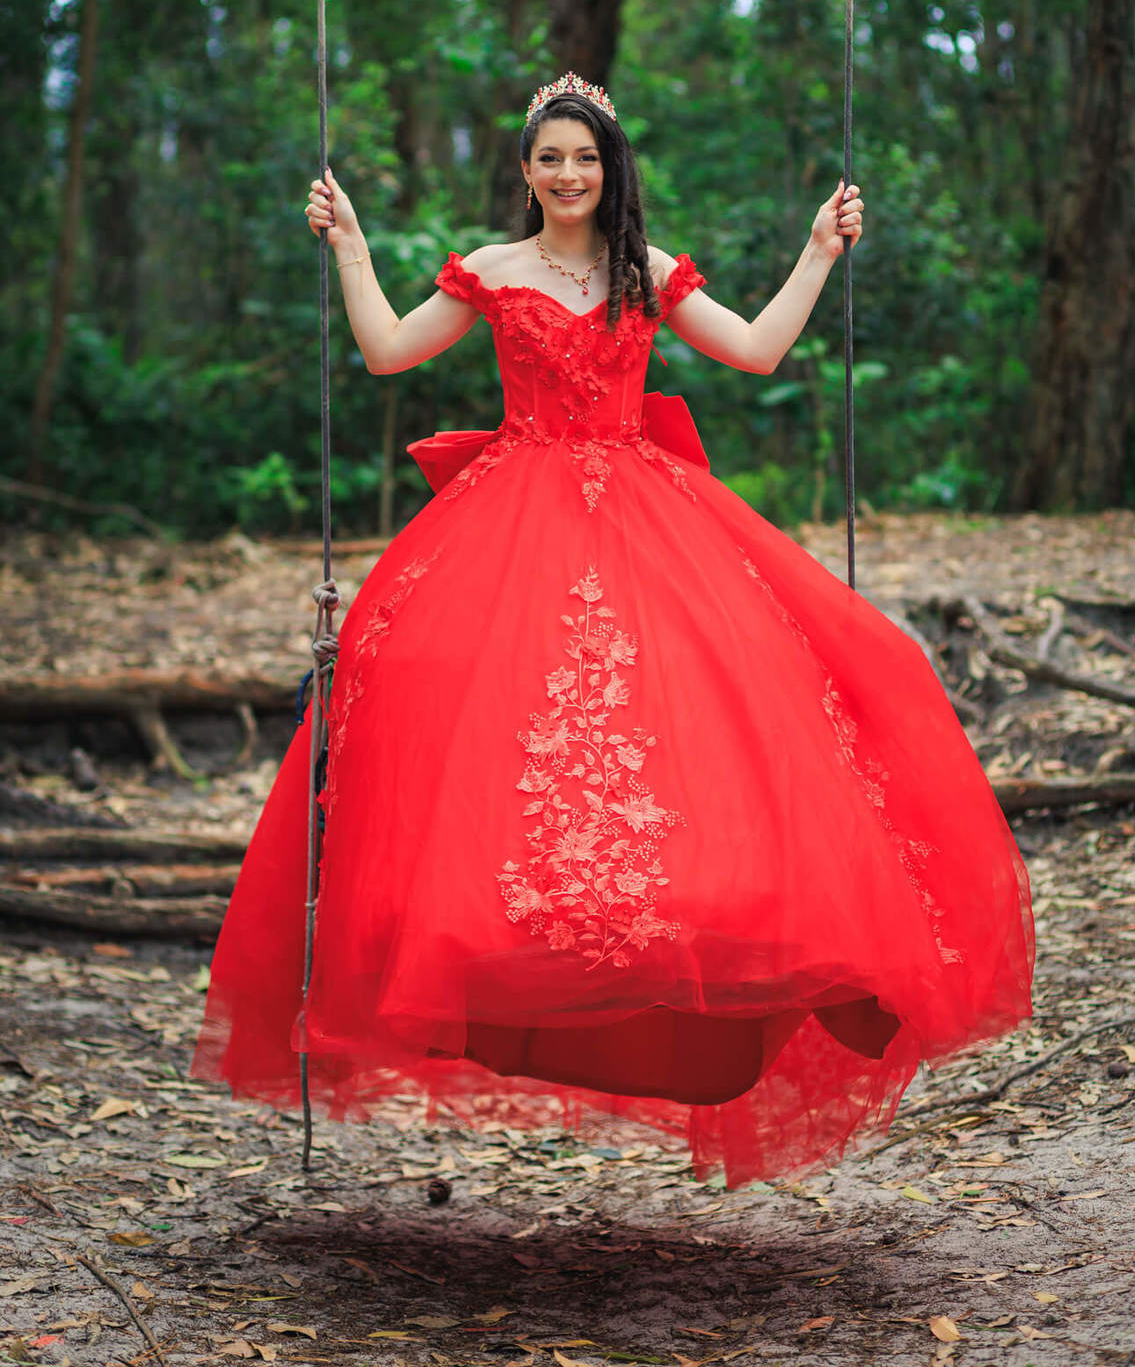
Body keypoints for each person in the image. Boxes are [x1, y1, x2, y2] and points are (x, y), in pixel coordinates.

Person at [192, 71, 1035, 1189]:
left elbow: (755, 351)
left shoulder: (645, 271)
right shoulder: (492, 270)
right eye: (549, 159)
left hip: (645, 518)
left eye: (585, 159)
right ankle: (491, 946)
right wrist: (350, 244)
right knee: (481, 718)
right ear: (526, 171)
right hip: (513, 518)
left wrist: (819, 254)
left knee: (693, 720)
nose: (568, 176)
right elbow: (391, 352)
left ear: (610, 168)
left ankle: (694, 938)